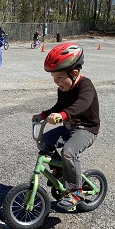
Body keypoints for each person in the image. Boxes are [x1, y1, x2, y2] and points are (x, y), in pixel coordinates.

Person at [32, 43, 100, 212]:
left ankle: (75, 192)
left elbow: (81, 105)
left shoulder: (86, 86)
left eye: (60, 78)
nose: (57, 83)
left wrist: (62, 116)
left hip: (86, 129)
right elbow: (58, 106)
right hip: (69, 128)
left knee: (68, 152)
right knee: (44, 142)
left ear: (74, 73)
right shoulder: (63, 89)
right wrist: (43, 115)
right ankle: (59, 172)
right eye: (54, 79)